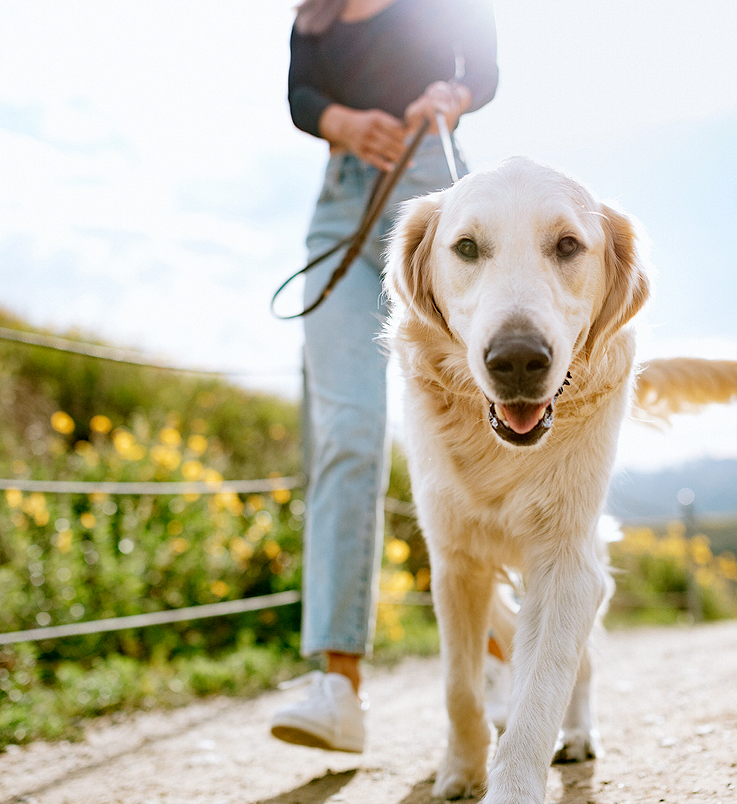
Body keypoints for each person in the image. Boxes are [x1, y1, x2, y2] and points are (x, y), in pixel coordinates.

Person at [271, 0, 498, 753]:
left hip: (434, 194)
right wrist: (340, 121)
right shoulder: (316, 14)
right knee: (348, 428)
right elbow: (301, 95)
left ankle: (503, 649)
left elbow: (485, 72)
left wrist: (453, 98)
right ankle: (338, 686)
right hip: (339, 209)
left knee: (470, 419)